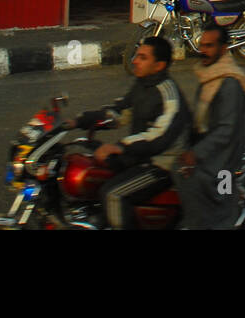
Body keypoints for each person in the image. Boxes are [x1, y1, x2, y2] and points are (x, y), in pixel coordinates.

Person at [67, 36, 191, 230]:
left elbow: (159, 137)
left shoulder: (169, 94)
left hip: (163, 164)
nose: (134, 60)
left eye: (142, 57)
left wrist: (119, 146)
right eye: (136, 55)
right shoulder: (142, 84)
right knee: (95, 173)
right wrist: (78, 121)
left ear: (159, 65)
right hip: (141, 157)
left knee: (112, 194)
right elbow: (120, 112)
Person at [179, 25, 245, 229]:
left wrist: (195, 153)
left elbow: (226, 130)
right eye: (202, 45)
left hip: (224, 160)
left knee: (218, 206)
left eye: (209, 46)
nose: (203, 50)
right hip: (210, 150)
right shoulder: (209, 75)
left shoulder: (229, 83)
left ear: (223, 49)